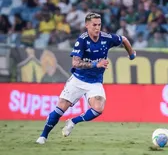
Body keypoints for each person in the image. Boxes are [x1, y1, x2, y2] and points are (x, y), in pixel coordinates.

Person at [36, 13, 136, 144]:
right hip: (78, 80)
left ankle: (73, 121)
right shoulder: (82, 40)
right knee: (60, 109)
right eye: (94, 25)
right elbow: (75, 63)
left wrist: (131, 54)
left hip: (95, 82)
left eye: (99, 25)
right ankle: (43, 136)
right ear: (87, 25)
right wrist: (96, 64)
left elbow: (123, 39)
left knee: (98, 108)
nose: (97, 28)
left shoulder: (106, 38)